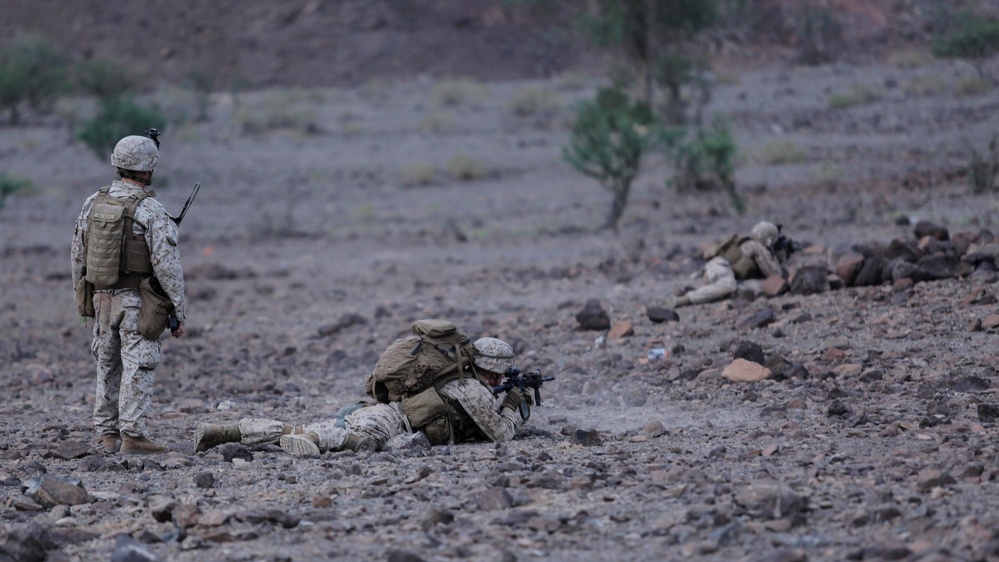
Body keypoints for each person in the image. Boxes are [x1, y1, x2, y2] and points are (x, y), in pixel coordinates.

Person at [193, 336, 531, 456]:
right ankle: (310, 438)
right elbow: (500, 433)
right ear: (497, 369)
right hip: (389, 421)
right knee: (342, 438)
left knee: (304, 430)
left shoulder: (456, 375)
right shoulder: (471, 389)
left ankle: (227, 431)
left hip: (377, 410)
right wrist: (514, 405)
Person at [71, 134, 187, 455]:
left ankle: (109, 434)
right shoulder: (150, 209)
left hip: (101, 296)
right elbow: (167, 266)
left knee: (107, 363)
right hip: (136, 300)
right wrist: (178, 310)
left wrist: (84, 298)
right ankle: (133, 435)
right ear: (147, 170)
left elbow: (78, 254)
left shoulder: (93, 202)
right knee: (139, 363)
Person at [666, 221, 790, 308]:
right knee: (729, 285)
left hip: (716, 269)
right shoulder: (756, 246)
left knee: (747, 288)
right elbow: (774, 274)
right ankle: (683, 300)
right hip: (720, 267)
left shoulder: (747, 243)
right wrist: (777, 257)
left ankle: (697, 295)